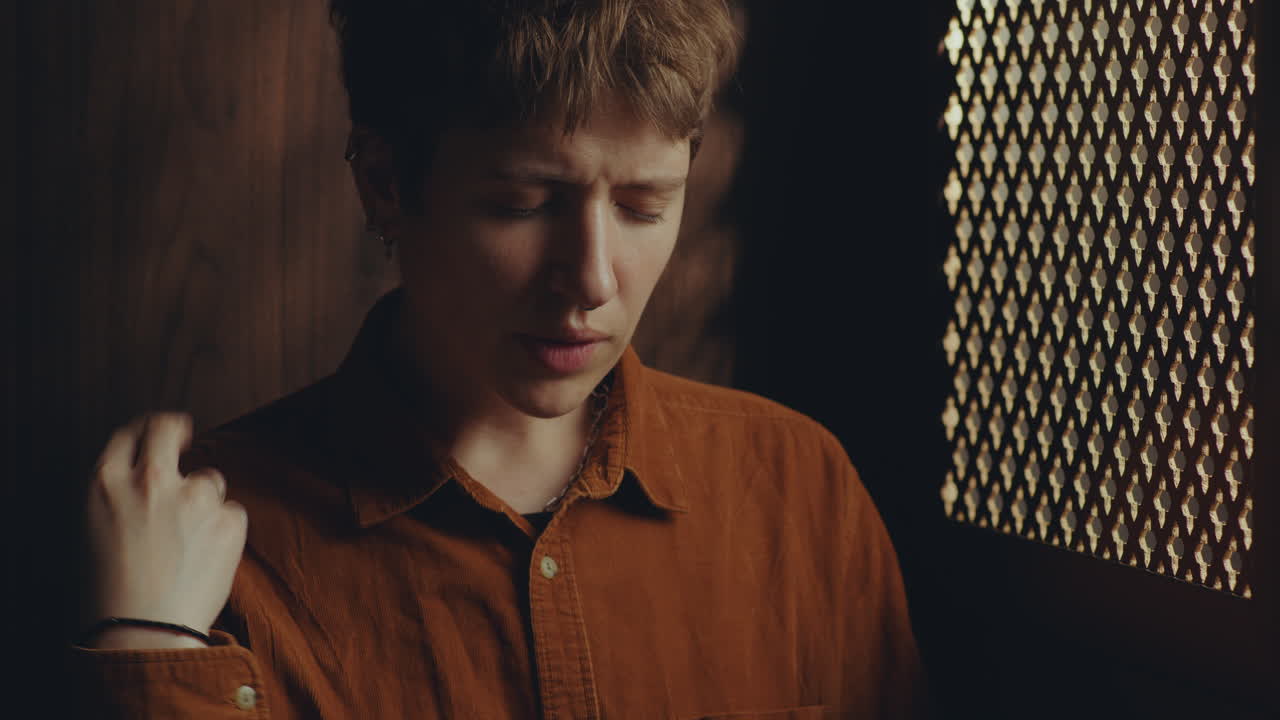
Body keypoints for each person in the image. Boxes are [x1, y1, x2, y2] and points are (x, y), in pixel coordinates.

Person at [70, 1, 926, 717]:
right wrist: (151, 648)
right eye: (521, 204)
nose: (591, 279)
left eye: (643, 205)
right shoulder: (206, 549)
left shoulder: (798, 486)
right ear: (386, 182)